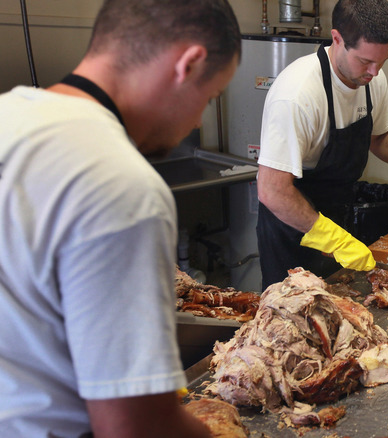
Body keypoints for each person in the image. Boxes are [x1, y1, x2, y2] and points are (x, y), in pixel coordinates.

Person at [0, 1, 241, 436]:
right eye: (209, 98)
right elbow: (134, 427)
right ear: (188, 63)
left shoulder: (9, 119)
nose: (198, 118)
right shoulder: (119, 184)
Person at [255, 0, 388, 290]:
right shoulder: (298, 95)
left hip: (338, 212)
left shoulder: (372, 80)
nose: (375, 72)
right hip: (292, 230)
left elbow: (379, 136)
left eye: (383, 61)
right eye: (365, 61)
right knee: (292, 321)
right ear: (337, 39)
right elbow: (272, 189)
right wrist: (332, 239)